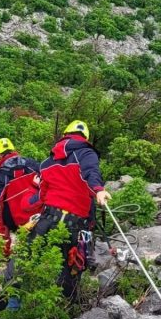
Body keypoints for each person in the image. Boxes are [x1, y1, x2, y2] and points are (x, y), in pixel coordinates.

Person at [30, 120, 111, 300]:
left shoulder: (46, 162)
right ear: (85, 137)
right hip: (77, 224)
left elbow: (42, 194)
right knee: (75, 266)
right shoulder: (87, 153)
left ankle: (12, 302)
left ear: (65, 135)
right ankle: (66, 305)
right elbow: (91, 172)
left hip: (48, 218)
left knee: (28, 256)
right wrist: (98, 190)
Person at [0, 138, 42, 257]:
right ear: (13, 149)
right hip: (34, 206)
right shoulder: (31, 163)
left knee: (1, 224)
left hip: (13, 213)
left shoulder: (2, 172)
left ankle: (4, 253)